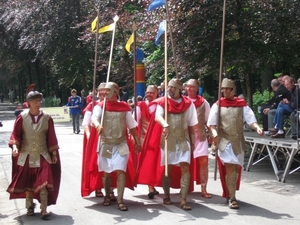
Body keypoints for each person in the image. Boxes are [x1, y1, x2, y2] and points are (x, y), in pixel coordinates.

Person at [140, 78, 198, 210]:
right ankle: (166, 195)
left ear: (179, 89)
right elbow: (158, 117)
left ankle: (183, 200)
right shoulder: (163, 103)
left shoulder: (188, 104)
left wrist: (193, 141)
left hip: (183, 139)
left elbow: (191, 125)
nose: (170, 90)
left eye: (172, 87)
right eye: (169, 87)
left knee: (185, 167)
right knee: (168, 168)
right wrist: (165, 124)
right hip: (168, 139)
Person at [207, 78, 263, 209]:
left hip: (238, 141)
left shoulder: (242, 104)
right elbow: (211, 124)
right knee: (231, 168)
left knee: (235, 170)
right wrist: (214, 134)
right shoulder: (217, 105)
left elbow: (251, 119)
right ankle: (232, 198)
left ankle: (229, 193)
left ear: (233, 90)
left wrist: (257, 128)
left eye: (227, 89)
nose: (224, 91)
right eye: (223, 89)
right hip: (224, 142)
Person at [6, 90, 61, 220]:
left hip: (43, 155)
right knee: (29, 182)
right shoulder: (22, 117)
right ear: (28, 103)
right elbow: (16, 134)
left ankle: (44, 209)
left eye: (39, 100)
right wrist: (14, 147)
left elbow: (51, 137)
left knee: (44, 182)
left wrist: (53, 153)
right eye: (35, 101)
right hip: (26, 155)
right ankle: (30, 207)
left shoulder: (47, 118)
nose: (39, 103)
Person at [91, 82, 141, 211]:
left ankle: (120, 200)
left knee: (121, 170)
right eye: (104, 91)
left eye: (108, 91)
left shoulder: (124, 107)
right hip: (106, 143)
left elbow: (132, 126)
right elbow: (94, 118)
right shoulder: (100, 107)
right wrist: (97, 125)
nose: (105, 93)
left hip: (121, 143)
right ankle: (107, 196)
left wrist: (137, 141)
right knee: (106, 171)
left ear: (115, 92)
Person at [186, 79, 212, 198]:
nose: (189, 89)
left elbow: (209, 120)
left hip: (200, 136)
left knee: (204, 161)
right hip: (186, 136)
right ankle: (184, 187)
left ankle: (203, 188)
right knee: (184, 163)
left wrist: (212, 134)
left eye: (192, 87)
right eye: (188, 87)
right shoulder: (182, 102)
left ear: (197, 88)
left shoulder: (204, 103)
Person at [135, 85, 160, 199]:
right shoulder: (140, 106)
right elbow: (135, 122)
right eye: (148, 92)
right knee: (148, 163)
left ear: (157, 93)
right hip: (144, 139)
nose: (149, 94)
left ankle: (153, 186)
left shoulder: (160, 105)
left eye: (152, 92)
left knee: (156, 164)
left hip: (157, 139)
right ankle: (150, 187)